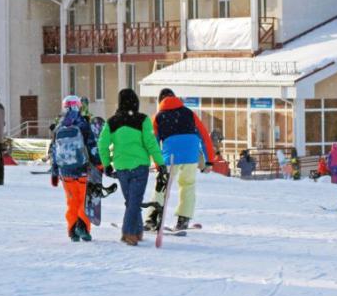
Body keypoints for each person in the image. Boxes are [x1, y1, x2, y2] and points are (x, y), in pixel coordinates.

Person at [98, 88, 166, 246]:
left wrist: (107, 164)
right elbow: (151, 143)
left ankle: (137, 231)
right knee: (134, 201)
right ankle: (128, 233)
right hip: (140, 167)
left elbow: (102, 144)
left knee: (132, 201)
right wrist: (160, 163)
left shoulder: (111, 122)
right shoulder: (142, 120)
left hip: (121, 167)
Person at [144, 88, 215, 231]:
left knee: (162, 186)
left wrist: (158, 164)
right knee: (187, 185)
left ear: (160, 101)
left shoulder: (158, 117)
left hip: (170, 155)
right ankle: (183, 219)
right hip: (191, 154)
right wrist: (209, 160)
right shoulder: (189, 113)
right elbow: (204, 136)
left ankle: (152, 218)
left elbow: (153, 144)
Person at [50, 95, 102, 242]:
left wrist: (55, 172)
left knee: (72, 202)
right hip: (83, 170)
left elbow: (54, 150)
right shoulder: (83, 124)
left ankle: (72, 230)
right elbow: (91, 146)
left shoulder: (59, 126)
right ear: (78, 106)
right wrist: (98, 164)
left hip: (65, 172)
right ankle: (83, 228)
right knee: (85, 200)